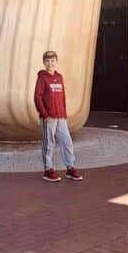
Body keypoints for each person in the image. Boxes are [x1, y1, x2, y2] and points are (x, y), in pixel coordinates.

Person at [34, 50, 83, 182]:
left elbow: (62, 96)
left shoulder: (59, 77)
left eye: (53, 61)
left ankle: (70, 168)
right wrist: (44, 114)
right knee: (49, 144)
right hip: (48, 118)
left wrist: (64, 113)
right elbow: (37, 97)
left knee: (67, 142)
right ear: (44, 63)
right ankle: (48, 170)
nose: (50, 63)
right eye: (48, 61)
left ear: (56, 62)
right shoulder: (42, 78)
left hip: (61, 117)